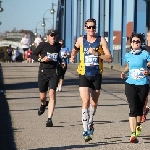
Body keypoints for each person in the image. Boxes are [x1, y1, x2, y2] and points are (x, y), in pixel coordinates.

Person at [70, 18, 112, 142]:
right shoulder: (80, 40)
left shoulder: (101, 40)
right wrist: (73, 56)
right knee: (85, 101)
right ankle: (85, 131)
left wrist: (96, 54)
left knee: (94, 102)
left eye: (93, 27)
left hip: (97, 74)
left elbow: (109, 58)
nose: (91, 29)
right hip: (83, 73)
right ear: (85, 28)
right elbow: (75, 48)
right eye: (89, 27)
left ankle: (91, 121)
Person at [120, 32, 150, 143]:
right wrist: (123, 72)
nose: (135, 43)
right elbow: (128, 66)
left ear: (140, 43)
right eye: (133, 41)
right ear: (131, 43)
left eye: (137, 41)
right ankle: (133, 135)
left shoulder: (145, 54)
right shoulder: (128, 55)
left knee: (139, 109)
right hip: (130, 83)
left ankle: (138, 125)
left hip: (143, 84)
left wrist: (148, 70)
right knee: (132, 109)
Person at [31, 29, 62, 127]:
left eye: (54, 36)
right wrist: (41, 59)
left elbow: (58, 57)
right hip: (43, 72)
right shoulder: (42, 45)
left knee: (52, 94)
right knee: (42, 97)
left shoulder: (58, 46)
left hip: (54, 72)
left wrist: (62, 62)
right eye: (51, 36)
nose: (53, 37)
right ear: (47, 37)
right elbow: (33, 55)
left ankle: (49, 119)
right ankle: (44, 104)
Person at [140, 30, 150, 123]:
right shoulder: (143, 49)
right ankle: (143, 111)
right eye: (149, 35)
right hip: (145, 75)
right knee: (145, 97)